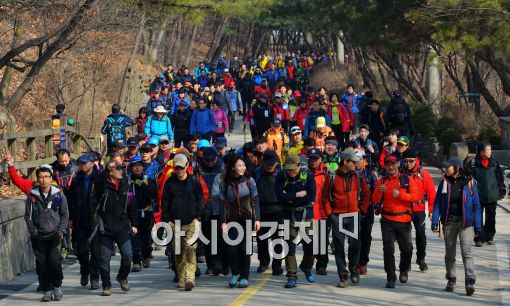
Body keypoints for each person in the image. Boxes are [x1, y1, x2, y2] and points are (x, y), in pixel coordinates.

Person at [432, 156, 481, 296]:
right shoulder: (444, 183)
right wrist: (435, 221)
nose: (445, 169)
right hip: (449, 222)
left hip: (466, 223)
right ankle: (451, 278)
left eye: (448, 167)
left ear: (456, 168)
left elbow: (477, 206)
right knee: (450, 254)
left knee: (466, 252)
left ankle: (470, 280)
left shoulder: (469, 183)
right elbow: (437, 203)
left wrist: (478, 226)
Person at [323, 150, 370, 287]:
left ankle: (354, 269)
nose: (356, 164)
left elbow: (366, 195)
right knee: (339, 247)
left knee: (355, 245)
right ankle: (343, 275)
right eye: (353, 162)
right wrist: (330, 214)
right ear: (345, 162)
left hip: (354, 216)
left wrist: (362, 211)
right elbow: (325, 197)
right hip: (337, 217)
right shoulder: (332, 177)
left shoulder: (358, 176)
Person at [372, 155, 420, 289]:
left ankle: (404, 269)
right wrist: (378, 191)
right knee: (388, 250)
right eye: (388, 164)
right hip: (387, 220)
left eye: (393, 164)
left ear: (398, 164)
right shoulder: (382, 181)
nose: (390, 167)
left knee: (407, 249)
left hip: (403, 220)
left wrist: (401, 195)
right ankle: (391, 276)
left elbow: (416, 196)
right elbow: (374, 200)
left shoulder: (406, 179)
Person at [25, 165, 69, 302]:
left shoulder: (57, 194)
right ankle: (47, 290)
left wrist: (61, 230)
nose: (43, 180)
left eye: (46, 177)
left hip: (54, 235)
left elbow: (64, 214)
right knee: (43, 265)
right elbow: (28, 216)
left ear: (51, 178)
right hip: (39, 236)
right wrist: (34, 233)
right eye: (40, 177)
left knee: (54, 262)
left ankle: (57, 286)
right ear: (37, 179)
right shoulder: (33, 196)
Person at [161, 153, 204, 291]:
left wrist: (198, 217)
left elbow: (200, 201)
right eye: (176, 168)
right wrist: (167, 220)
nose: (179, 171)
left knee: (191, 249)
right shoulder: (169, 183)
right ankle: (181, 276)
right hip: (175, 223)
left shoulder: (194, 182)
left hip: (191, 221)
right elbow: (165, 202)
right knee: (178, 251)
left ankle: (190, 277)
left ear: (187, 166)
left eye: (181, 168)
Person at [96, 161, 138, 296]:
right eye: (118, 169)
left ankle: (122, 277)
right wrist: (107, 167)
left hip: (122, 228)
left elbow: (132, 207)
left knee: (127, 255)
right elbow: (98, 181)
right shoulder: (102, 185)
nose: (121, 171)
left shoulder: (127, 186)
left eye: (122, 169)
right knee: (104, 259)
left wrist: (135, 224)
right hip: (105, 229)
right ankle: (106, 285)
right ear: (110, 172)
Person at [275, 154, 316, 288]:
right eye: (288, 169)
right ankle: (292, 275)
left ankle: (306, 267)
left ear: (299, 166)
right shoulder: (281, 175)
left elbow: (310, 196)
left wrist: (290, 198)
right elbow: (280, 196)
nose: (291, 172)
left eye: (294, 169)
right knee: (289, 246)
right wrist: (297, 195)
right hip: (288, 215)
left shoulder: (307, 175)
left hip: (305, 216)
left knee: (309, 247)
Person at [219, 156, 260, 288]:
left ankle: (244, 276)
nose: (242, 168)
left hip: (246, 218)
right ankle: (235, 273)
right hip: (231, 220)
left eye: (243, 166)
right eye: (239, 166)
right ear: (232, 167)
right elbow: (222, 204)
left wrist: (257, 219)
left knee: (245, 249)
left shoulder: (249, 181)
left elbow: (255, 201)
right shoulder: (225, 183)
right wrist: (223, 222)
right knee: (231, 249)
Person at [68, 153, 102, 290]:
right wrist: (70, 218)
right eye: (80, 163)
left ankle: (94, 277)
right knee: (81, 250)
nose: (82, 165)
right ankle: (84, 270)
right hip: (80, 219)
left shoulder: (100, 179)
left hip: (95, 219)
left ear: (93, 163)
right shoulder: (76, 180)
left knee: (96, 251)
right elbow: (70, 200)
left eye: (85, 163)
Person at [401, 149, 436, 271]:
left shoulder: (423, 174)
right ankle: (406, 261)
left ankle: (421, 258)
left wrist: (431, 210)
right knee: (405, 238)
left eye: (411, 161)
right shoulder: (400, 173)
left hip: (419, 208)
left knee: (421, 235)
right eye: (405, 161)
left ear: (416, 160)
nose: (408, 164)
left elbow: (431, 192)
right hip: (404, 209)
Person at [466, 141, 504, 247]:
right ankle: (478, 238)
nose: (490, 152)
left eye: (490, 149)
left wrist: (499, 190)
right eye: (488, 150)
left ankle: (489, 236)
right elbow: (467, 180)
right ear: (481, 152)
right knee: (477, 217)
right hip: (478, 196)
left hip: (492, 195)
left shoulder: (494, 163)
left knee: (491, 217)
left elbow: (500, 178)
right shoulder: (473, 164)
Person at [254, 150, 283, 275]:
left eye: (272, 163)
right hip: (261, 211)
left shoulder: (282, 174)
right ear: (263, 162)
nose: (270, 166)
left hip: (278, 210)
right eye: (267, 163)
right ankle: (263, 262)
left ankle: (277, 265)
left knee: (277, 239)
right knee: (261, 239)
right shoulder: (256, 173)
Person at [198, 147, 226, 275]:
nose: (209, 163)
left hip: (218, 205)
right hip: (204, 205)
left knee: (220, 237)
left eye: (212, 160)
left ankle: (220, 263)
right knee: (207, 237)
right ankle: (210, 264)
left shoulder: (221, 166)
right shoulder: (198, 167)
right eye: (207, 160)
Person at [128, 157, 157, 272]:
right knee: (134, 238)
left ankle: (145, 255)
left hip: (146, 212)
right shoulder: (126, 181)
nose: (137, 167)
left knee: (146, 239)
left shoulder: (148, 180)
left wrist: (142, 184)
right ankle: (136, 261)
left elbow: (152, 194)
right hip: (132, 213)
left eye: (140, 165)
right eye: (135, 165)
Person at [354, 148, 378, 275]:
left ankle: (362, 263)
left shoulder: (370, 176)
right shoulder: (349, 174)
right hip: (352, 210)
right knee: (353, 238)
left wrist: (375, 206)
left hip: (367, 211)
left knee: (365, 237)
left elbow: (376, 194)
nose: (356, 162)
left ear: (363, 160)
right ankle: (354, 262)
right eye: (354, 159)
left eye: (359, 159)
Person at [307, 148, 330, 275]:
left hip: (322, 213)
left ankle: (322, 265)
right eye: (311, 158)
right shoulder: (304, 172)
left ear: (320, 159)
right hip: (308, 213)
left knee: (322, 241)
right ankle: (309, 263)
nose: (313, 161)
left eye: (315, 159)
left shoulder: (326, 172)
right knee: (309, 241)